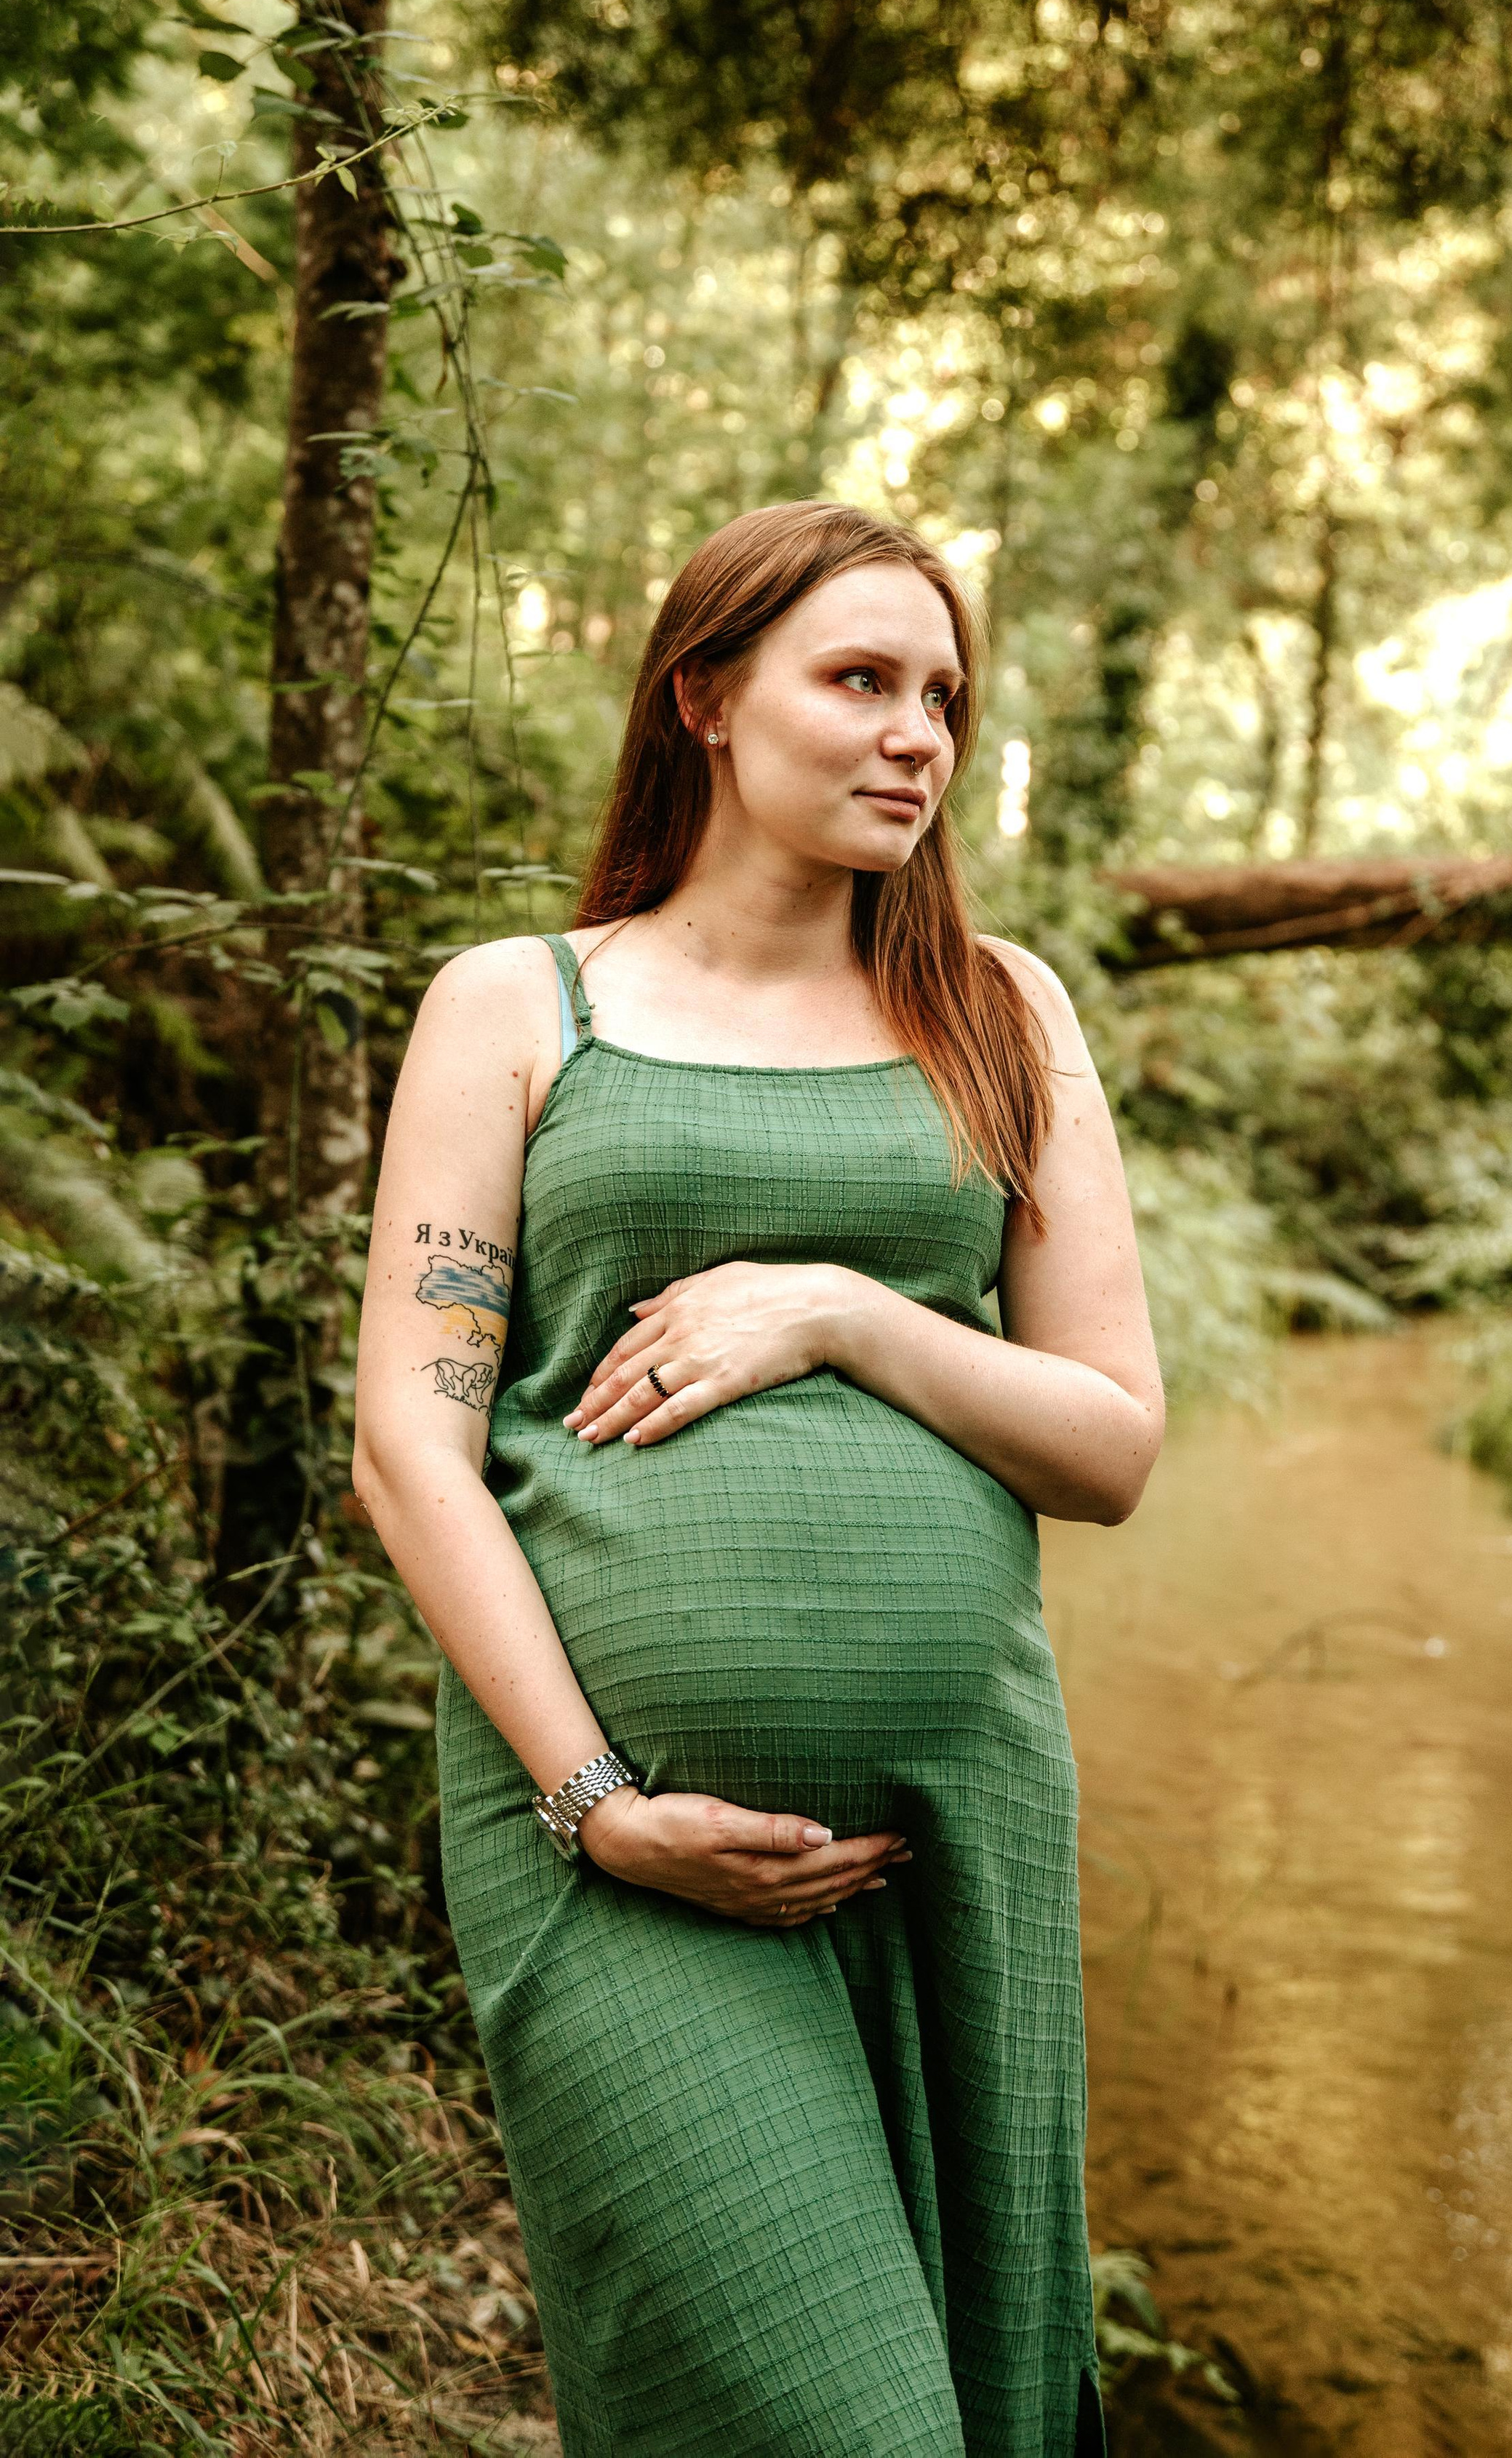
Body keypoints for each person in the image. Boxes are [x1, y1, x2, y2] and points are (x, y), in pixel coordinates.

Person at [352, 499, 1164, 2457]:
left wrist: (843, 1313)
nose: (917, 738)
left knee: (970, 2403)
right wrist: (597, 1805)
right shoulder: (521, 1003)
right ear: (705, 699)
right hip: (619, 1857)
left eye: (943, 697)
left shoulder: (1002, 1014)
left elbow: (1115, 1443)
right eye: (860, 681)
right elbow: (412, 1444)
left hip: (949, 1818)